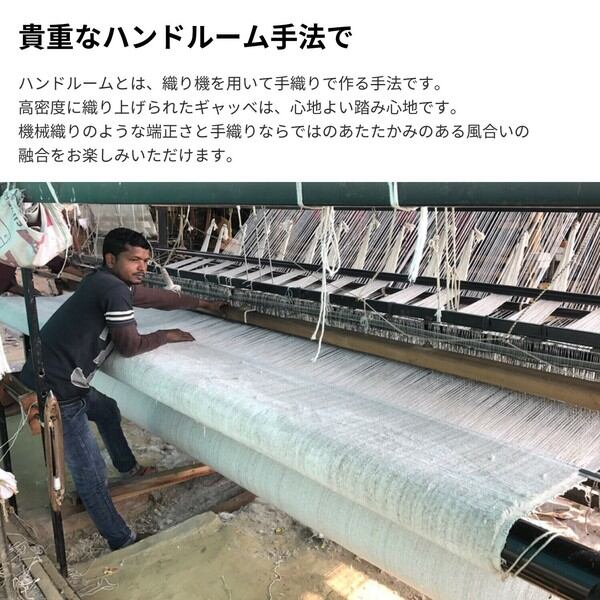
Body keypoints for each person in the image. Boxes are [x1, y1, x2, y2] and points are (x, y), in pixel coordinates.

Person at [20, 228, 226, 550]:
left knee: (106, 409)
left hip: (56, 376)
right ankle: (121, 539)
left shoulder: (104, 281)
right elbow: (129, 346)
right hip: (57, 393)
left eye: (146, 261)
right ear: (111, 259)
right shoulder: (113, 289)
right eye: (134, 260)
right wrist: (166, 335)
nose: (142, 267)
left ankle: (128, 468)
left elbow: (154, 298)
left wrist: (200, 303)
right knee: (91, 475)